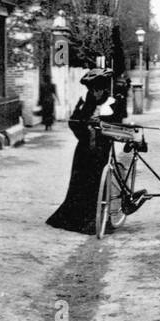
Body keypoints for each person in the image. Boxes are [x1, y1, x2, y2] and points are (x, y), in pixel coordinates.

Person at [45, 70, 118, 234]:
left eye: (98, 89)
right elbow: (73, 121)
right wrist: (86, 129)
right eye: (92, 89)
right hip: (84, 147)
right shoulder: (84, 100)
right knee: (80, 180)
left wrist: (101, 127)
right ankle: (76, 217)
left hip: (102, 147)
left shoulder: (113, 102)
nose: (95, 93)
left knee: (98, 181)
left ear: (104, 89)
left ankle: (98, 218)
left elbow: (117, 123)